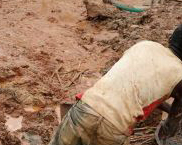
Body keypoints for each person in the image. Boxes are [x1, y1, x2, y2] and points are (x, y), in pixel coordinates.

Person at [49, 25, 182, 145]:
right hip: (114, 128)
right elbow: (172, 123)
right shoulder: (180, 76)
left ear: (171, 38)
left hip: (86, 108)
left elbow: (135, 86)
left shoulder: (145, 45)